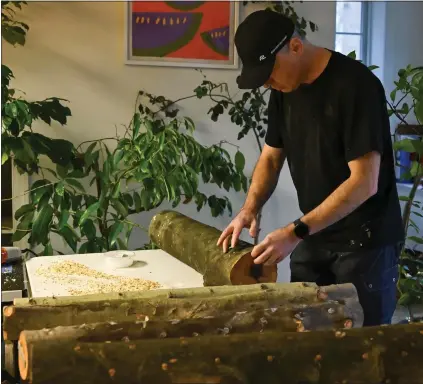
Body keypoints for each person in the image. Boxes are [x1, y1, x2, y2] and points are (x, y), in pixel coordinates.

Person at [217, 9, 405, 326]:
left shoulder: (356, 86)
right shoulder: (284, 90)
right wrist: (249, 209)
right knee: (308, 339)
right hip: (313, 237)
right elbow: (271, 156)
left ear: (295, 46)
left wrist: (295, 231)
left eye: (271, 72)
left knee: (362, 351)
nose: (269, 83)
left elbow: (364, 182)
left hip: (364, 245)